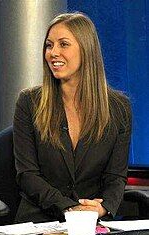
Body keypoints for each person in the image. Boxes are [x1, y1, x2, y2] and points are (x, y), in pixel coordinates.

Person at [13, 12, 132, 223]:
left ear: (86, 50)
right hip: (39, 222)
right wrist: (71, 209)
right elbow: (28, 175)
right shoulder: (29, 102)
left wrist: (102, 209)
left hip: (92, 224)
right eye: (49, 45)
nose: (53, 53)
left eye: (63, 44)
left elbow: (116, 177)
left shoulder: (118, 109)